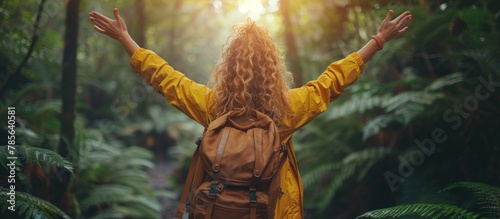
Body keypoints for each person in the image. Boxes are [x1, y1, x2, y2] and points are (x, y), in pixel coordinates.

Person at [89, 7, 412, 219]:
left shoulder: (212, 107)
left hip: (218, 208)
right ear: (273, 66)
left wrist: (126, 39)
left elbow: (166, 79)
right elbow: (331, 82)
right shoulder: (287, 112)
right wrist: (378, 40)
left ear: (227, 68)